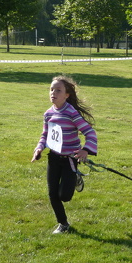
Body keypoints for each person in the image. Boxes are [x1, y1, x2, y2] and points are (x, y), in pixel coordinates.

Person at [31, 75, 98, 234]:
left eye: (58, 90)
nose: (53, 93)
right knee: (52, 193)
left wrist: (85, 150)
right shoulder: (48, 114)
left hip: (70, 159)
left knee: (64, 196)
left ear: (67, 95)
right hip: (53, 158)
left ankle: (75, 177)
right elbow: (45, 135)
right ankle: (63, 224)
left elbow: (90, 133)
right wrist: (39, 148)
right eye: (51, 89)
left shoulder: (71, 112)